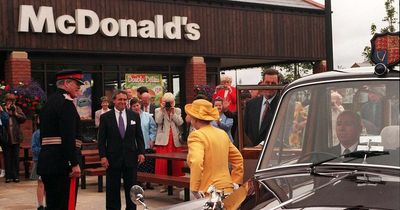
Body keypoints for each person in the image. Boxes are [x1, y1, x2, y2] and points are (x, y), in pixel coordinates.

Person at [37, 69, 84, 210]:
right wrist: (74, 163)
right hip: (63, 165)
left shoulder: (48, 103)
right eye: (76, 84)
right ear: (66, 83)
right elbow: (68, 136)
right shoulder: (66, 104)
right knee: (65, 205)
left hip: (49, 163)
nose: (79, 87)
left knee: (53, 204)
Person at [185, 99, 244, 198]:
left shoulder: (196, 135)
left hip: (208, 191)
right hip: (227, 188)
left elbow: (196, 161)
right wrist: (235, 181)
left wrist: (194, 189)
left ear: (194, 119)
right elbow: (238, 159)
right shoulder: (222, 134)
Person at [98, 90, 145, 210]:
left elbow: (139, 136)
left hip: (131, 158)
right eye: (120, 99)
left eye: (125, 100)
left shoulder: (134, 115)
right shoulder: (105, 117)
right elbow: (101, 140)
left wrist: (141, 152)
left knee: (132, 189)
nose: (123, 102)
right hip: (112, 159)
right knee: (112, 189)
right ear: (114, 101)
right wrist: (103, 156)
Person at [154, 92, 184, 192]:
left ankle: (175, 182)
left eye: (170, 102)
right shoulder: (158, 110)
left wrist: (173, 112)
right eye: (167, 102)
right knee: (163, 162)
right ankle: (164, 184)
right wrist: (163, 110)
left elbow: (180, 122)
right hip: (163, 140)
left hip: (174, 139)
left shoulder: (177, 110)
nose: (168, 104)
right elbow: (158, 121)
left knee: (175, 161)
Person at [244, 68, 281, 146]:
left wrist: (262, 145)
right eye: (267, 82)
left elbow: (283, 133)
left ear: (278, 84)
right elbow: (244, 130)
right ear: (262, 83)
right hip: (251, 153)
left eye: (273, 83)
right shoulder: (251, 104)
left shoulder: (283, 104)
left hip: (272, 153)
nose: (269, 86)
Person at [130, 97, 157, 190]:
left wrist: (152, 139)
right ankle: (139, 182)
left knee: (148, 164)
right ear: (131, 107)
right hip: (135, 145)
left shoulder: (148, 116)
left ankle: (148, 182)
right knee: (138, 165)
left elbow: (153, 129)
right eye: (134, 106)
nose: (136, 107)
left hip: (146, 143)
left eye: (137, 105)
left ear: (140, 105)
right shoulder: (130, 116)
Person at [3, 93, 27, 183]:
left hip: (16, 137)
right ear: (5, 101)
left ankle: (16, 176)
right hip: (6, 137)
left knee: (15, 158)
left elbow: (23, 119)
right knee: (7, 158)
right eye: (8, 100)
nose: (10, 102)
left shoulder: (17, 108)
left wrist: (15, 113)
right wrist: (4, 112)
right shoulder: (2, 109)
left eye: (11, 101)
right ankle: (8, 177)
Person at [30, 116, 46, 210]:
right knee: (41, 183)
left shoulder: (51, 132)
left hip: (49, 161)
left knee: (49, 184)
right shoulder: (36, 134)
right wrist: (45, 151)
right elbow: (34, 148)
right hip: (39, 161)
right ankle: (40, 205)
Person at [0, 105, 9, 178]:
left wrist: (2, 111)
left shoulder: (2, 114)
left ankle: (3, 170)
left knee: (1, 154)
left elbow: (6, 120)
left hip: (1, 136)